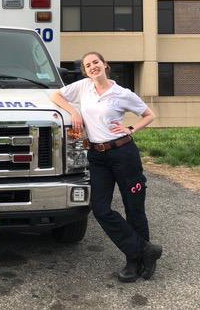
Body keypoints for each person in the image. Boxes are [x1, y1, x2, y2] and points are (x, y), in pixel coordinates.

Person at [50, 52, 162, 283]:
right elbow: (56, 95)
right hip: (97, 156)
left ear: (105, 65)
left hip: (123, 153)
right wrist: (74, 111)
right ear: (85, 70)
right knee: (100, 209)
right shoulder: (83, 87)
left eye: (96, 63)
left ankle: (134, 261)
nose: (92, 67)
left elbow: (149, 114)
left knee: (134, 208)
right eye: (88, 65)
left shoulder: (122, 93)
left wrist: (130, 129)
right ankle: (144, 250)